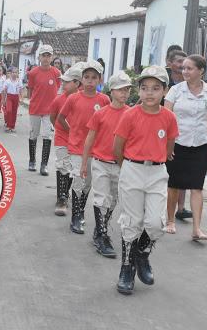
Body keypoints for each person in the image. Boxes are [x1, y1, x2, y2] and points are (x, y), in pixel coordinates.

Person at [113, 66, 178, 295]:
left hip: (157, 172)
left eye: (156, 88)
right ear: (138, 91)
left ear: (164, 91)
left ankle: (142, 253)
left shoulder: (169, 117)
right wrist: (128, 168)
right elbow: (117, 147)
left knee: (155, 223)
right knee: (132, 222)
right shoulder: (130, 115)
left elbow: (169, 147)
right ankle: (127, 268)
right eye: (144, 88)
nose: (149, 93)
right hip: (132, 168)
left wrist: (156, 161)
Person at [164, 54, 207, 241]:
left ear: (201, 70)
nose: (185, 71)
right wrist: (165, 143)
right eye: (184, 68)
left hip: (200, 144)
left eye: (189, 68)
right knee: (173, 184)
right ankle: (170, 221)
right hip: (177, 143)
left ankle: (196, 229)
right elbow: (166, 117)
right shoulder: (175, 90)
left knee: (197, 187)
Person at [81, 72, 132, 258]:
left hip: (121, 164)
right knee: (101, 198)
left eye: (127, 90)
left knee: (113, 199)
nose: (124, 93)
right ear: (111, 91)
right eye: (120, 90)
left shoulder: (131, 113)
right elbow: (89, 139)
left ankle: (100, 227)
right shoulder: (100, 113)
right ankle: (102, 236)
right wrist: (84, 163)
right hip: (100, 162)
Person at [58, 60, 110, 234]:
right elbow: (61, 118)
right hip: (76, 148)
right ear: (81, 79)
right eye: (86, 77)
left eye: (94, 78)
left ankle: (80, 212)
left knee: (87, 183)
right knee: (79, 179)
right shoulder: (73, 98)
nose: (90, 81)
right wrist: (71, 131)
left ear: (99, 80)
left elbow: (107, 123)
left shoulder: (104, 100)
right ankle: (76, 216)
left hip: (95, 150)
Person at [50, 63, 82, 216]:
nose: (63, 84)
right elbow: (53, 118)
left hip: (78, 141)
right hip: (62, 137)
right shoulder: (58, 100)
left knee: (72, 169)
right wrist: (65, 131)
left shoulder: (82, 99)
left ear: (77, 83)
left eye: (66, 82)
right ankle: (61, 199)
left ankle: (66, 193)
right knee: (63, 165)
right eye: (62, 81)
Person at [165, 49, 192, 220]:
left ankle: (181, 208)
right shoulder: (163, 80)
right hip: (162, 132)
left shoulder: (189, 83)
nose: (182, 64)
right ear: (169, 63)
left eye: (184, 60)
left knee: (183, 172)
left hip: (182, 133)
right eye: (178, 60)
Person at [27, 45, 61, 175]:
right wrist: (33, 102)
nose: (46, 58)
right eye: (43, 55)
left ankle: (44, 165)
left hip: (50, 111)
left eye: (48, 56)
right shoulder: (33, 73)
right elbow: (30, 90)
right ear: (39, 57)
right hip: (35, 109)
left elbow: (57, 89)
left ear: (51, 57)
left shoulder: (57, 73)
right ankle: (32, 161)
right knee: (33, 134)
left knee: (47, 136)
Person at [2, 67, 23, 132]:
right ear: (11, 73)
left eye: (16, 72)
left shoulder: (19, 81)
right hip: (9, 97)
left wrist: (21, 98)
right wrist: (3, 99)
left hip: (16, 97)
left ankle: (12, 126)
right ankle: (8, 125)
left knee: (14, 112)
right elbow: (4, 90)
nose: (14, 74)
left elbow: (21, 90)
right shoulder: (7, 81)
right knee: (9, 111)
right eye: (13, 72)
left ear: (17, 74)